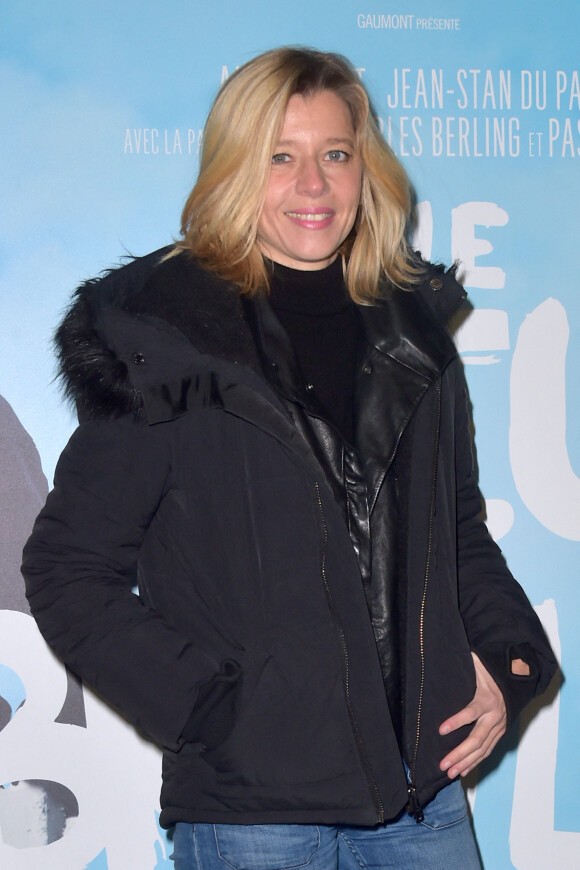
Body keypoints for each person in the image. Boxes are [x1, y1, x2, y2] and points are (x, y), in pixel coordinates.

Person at [22, 47, 557, 869]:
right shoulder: (164, 344)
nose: (314, 185)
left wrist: (505, 657)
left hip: (426, 805)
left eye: (335, 154)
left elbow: (458, 533)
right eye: (281, 156)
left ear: (363, 167)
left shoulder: (413, 340)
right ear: (235, 171)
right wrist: (207, 707)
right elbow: (67, 568)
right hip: (253, 817)